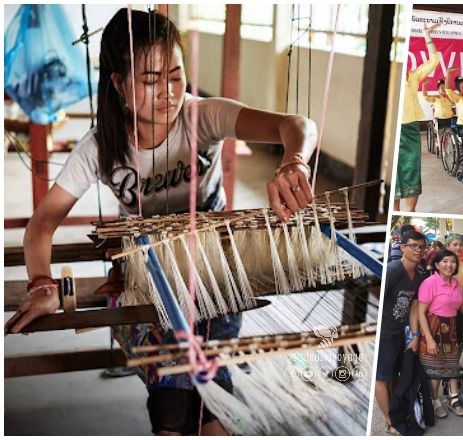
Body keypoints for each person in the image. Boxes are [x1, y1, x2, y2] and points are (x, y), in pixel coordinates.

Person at [3, 9, 318, 436]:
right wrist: (43, 285)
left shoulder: (201, 116)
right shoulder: (101, 148)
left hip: (214, 281)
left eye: (176, 75)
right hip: (142, 287)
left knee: (198, 384)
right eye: (151, 81)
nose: (169, 93)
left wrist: (293, 160)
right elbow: (41, 225)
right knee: (182, 381)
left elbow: (296, 125)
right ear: (118, 84)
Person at [375, 230, 428, 435]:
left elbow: (414, 306)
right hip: (385, 332)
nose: (418, 250)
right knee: (382, 377)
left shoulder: (420, 273)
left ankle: (397, 412)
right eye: (413, 246)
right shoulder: (393, 270)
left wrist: (415, 335)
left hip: (401, 331)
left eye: (421, 247)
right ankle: (389, 421)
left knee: (397, 375)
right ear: (403, 247)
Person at [417, 249, 463, 418]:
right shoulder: (430, 282)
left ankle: (453, 399)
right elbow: (420, 313)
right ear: (436, 265)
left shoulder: (455, 283)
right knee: (435, 369)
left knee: (452, 364)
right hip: (433, 328)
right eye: (445, 261)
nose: (449, 265)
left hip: (451, 328)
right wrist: (429, 339)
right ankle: (435, 402)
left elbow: (462, 306)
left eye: (453, 262)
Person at [395, 23, 441, 212]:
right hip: (392, 129)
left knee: (411, 169)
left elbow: (434, 60)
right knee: (393, 173)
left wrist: (426, 36)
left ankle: (411, 212)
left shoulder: (412, 77)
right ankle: (395, 211)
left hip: (410, 128)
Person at [445, 233, 463, 342]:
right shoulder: (442, 263)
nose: (459, 247)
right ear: (448, 246)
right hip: (444, 306)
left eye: (461, 245)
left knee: (458, 336)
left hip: (459, 306)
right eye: (455, 244)